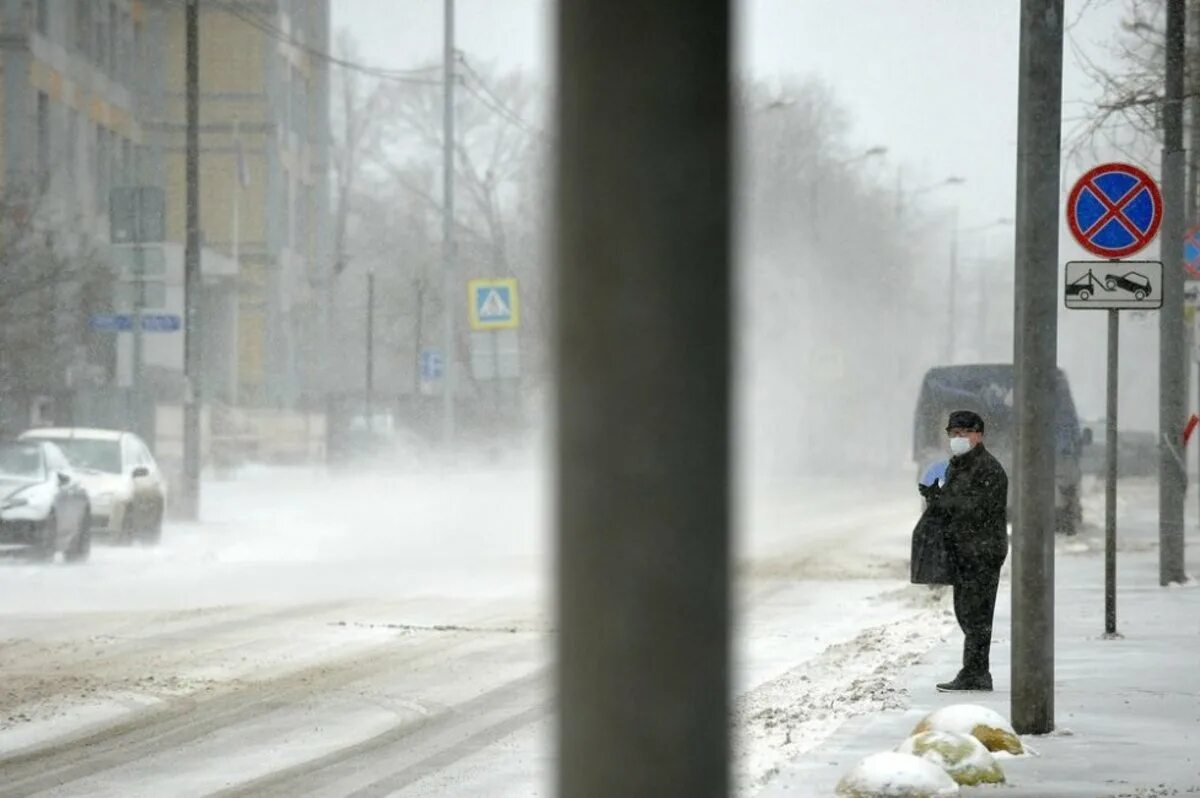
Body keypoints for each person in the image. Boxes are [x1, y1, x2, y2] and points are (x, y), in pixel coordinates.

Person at [917, 410, 1008, 692]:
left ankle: (977, 673)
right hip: (966, 550)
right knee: (966, 612)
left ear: (978, 435)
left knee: (977, 615)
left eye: (964, 434)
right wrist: (936, 497)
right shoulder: (959, 465)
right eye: (953, 434)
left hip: (982, 551)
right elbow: (955, 503)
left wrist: (942, 501)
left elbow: (974, 508)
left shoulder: (988, 469)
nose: (958, 439)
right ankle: (974, 670)